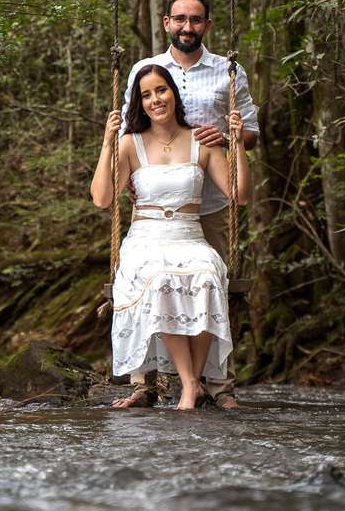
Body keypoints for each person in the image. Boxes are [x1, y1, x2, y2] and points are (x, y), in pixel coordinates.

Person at [113, 0, 260, 409]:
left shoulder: (229, 72)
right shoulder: (147, 70)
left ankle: (218, 386)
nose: (187, 27)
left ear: (207, 26)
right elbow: (131, 127)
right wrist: (129, 173)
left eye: (196, 20)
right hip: (156, 202)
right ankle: (147, 384)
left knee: (208, 284)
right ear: (167, 23)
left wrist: (229, 139)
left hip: (208, 203)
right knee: (153, 279)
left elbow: (250, 131)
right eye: (180, 19)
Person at [91, 64, 251, 410]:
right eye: (145, 95)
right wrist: (107, 144)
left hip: (190, 237)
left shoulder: (202, 141)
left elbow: (241, 195)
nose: (154, 100)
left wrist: (235, 142)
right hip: (145, 240)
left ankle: (190, 387)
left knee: (209, 275)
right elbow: (102, 199)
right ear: (139, 102)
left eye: (160, 91)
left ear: (174, 95)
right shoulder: (130, 144)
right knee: (159, 277)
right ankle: (191, 385)